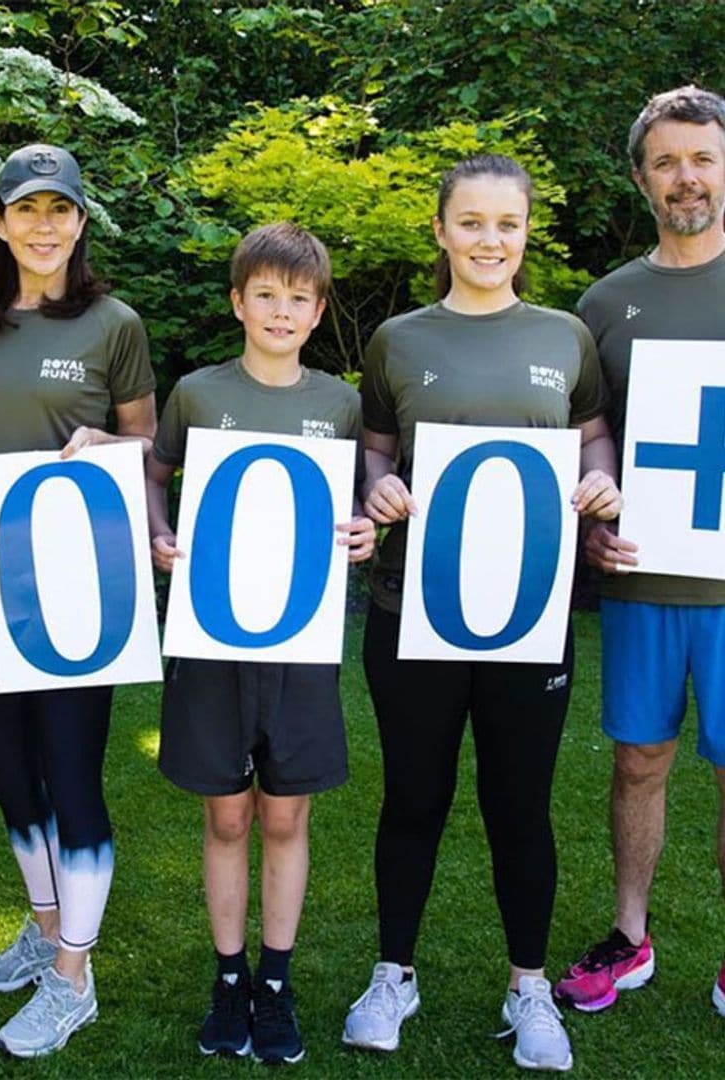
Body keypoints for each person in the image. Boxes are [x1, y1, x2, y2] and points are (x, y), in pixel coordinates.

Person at [343, 155, 622, 1072]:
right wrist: (380, 490)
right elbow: (375, 454)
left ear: (525, 232)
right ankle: (394, 973)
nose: (489, 241)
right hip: (413, 609)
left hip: (529, 614)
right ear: (440, 230)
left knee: (518, 803)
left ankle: (528, 985)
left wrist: (601, 481)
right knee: (414, 796)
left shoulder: (566, 335)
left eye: (506, 223)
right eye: (471, 222)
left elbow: (593, 441)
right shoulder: (397, 339)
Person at [0, 143, 157, 1058]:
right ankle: (43, 922)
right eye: (26, 209)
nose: (44, 226)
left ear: (79, 220)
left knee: (71, 775)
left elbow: (146, 446)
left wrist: (112, 450)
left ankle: (74, 974)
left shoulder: (113, 324)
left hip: (78, 590)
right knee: (4, 772)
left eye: (60, 210)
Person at [146, 222, 375, 1065]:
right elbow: (155, 475)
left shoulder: (338, 403)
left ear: (318, 313)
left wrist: (365, 537)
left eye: (299, 299)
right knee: (227, 813)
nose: (282, 311)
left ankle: (275, 982)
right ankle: (229, 976)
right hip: (210, 641)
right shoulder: (199, 393)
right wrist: (159, 532)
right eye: (266, 295)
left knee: (285, 812)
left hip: (300, 643)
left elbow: (354, 507)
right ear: (239, 302)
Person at [554, 86, 725, 1019]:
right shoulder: (607, 303)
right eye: (666, 161)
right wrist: (592, 517)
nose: (686, 176)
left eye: (702, 156)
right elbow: (593, 440)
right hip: (645, 579)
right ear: (640, 177)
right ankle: (630, 935)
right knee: (638, 761)